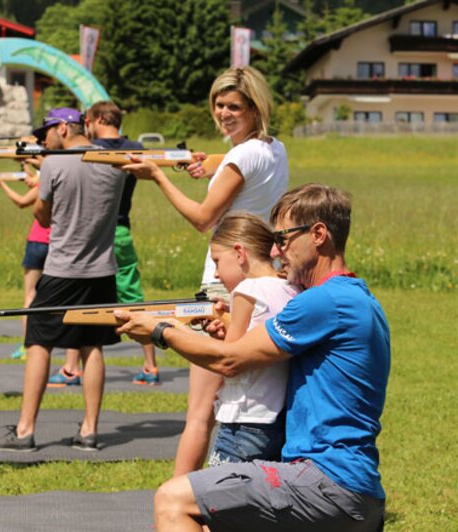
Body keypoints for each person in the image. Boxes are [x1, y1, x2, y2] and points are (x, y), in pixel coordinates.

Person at [116, 184, 390, 531]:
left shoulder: (323, 301)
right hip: (353, 486)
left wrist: (160, 331)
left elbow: (229, 361)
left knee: (173, 499)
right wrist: (229, 323)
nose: (276, 250)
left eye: (284, 238)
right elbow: (259, 345)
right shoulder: (357, 299)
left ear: (318, 234)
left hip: (325, 480)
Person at [122, 66, 289, 474]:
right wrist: (206, 163)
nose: (224, 112)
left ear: (254, 108)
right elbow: (238, 164)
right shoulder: (274, 148)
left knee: (200, 414)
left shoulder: (240, 156)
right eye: (219, 104)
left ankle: (177, 501)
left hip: (223, 282)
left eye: (235, 106)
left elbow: (202, 217)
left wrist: (157, 175)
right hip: (261, 276)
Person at [0, 107, 125, 453]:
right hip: (102, 270)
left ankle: (25, 431)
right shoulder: (115, 164)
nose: (43, 139)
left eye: (47, 131)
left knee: (38, 342)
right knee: (91, 346)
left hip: (62, 268)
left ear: (63, 127)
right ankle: (90, 431)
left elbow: (44, 217)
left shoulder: (53, 164)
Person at [47, 100, 161, 387]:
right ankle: (149, 365)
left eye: (88, 121)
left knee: (79, 299)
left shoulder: (96, 151)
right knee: (129, 298)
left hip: (96, 231)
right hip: (120, 228)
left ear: (96, 119)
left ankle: (72, 367)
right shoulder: (133, 148)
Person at [202, 212, 299, 468]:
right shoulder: (290, 287)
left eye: (217, 261)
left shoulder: (246, 290)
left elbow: (231, 361)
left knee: (218, 498)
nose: (215, 274)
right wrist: (228, 322)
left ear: (239, 253)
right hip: (276, 419)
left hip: (243, 421)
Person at [0, 161, 47, 360]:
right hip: (58, 245)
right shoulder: (60, 182)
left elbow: (21, 201)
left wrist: (1, 183)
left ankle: (28, 345)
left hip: (38, 242)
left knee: (30, 296)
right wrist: (25, 166)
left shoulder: (44, 186)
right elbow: (33, 178)